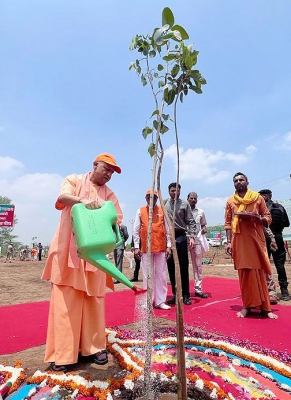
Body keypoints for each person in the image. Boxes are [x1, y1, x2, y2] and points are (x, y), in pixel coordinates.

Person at [41, 152, 123, 371]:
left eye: (112, 172)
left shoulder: (110, 195)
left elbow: (117, 221)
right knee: (65, 305)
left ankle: (95, 348)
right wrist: (83, 201)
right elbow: (63, 197)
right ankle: (63, 355)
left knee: (94, 302)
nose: (109, 175)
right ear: (94, 165)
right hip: (67, 253)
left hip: (95, 258)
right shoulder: (74, 180)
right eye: (106, 169)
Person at [224, 172, 277, 319]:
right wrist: (228, 242)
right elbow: (228, 224)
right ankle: (247, 306)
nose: (238, 182)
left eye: (241, 180)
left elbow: (268, 217)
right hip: (239, 241)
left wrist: (257, 218)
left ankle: (266, 308)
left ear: (247, 182)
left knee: (260, 273)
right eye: (236, 181)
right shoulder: (230, 201)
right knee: (244, 274)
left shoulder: (257, 198)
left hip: (256, 240)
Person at [133, 189, 172, 310]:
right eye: (149, 197)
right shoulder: (140, 210)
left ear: (156, 198)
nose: (151, 199)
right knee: (147, 275)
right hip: (146, 248)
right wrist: (136, 247)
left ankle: (160, 301)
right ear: (145, 198)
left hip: (161, 247)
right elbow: (136, 230)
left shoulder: (162, 210)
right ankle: (147, 301)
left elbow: (168, 229)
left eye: (154, 197)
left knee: (161, 275)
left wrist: (169, 246)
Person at [164, 183, 196, 306]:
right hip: (168, 238)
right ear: (169, 191)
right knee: (171, 267)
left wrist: (192, 237)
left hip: (181, 236)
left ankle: (186, 295)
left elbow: (191, 222)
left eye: (177, 191)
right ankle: (175, 294)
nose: (175, 193)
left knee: (183, 267)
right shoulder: (164, 203)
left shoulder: (185, 204)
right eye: (172, 191)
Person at [258, 189, 290, 301]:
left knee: (265, 265)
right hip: (278, 237)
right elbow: (287, 223)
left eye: (260, 196)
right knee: (280, 265)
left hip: (265, 238)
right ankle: (284, 292)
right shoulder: (280, 207)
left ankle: (269, 292)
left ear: (266, 196)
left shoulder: (261, 209)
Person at [187, 192, 208, 298]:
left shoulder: (201, 212)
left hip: (197, 240)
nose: (193, 200)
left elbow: (204, 225)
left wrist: (204, 229)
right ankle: (183, 290)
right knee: (182, 265)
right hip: (184, 239)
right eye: (191, 198)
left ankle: (198, 289)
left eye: (195, 198)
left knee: (198, 265)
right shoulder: (183, 210)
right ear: (187, 199)